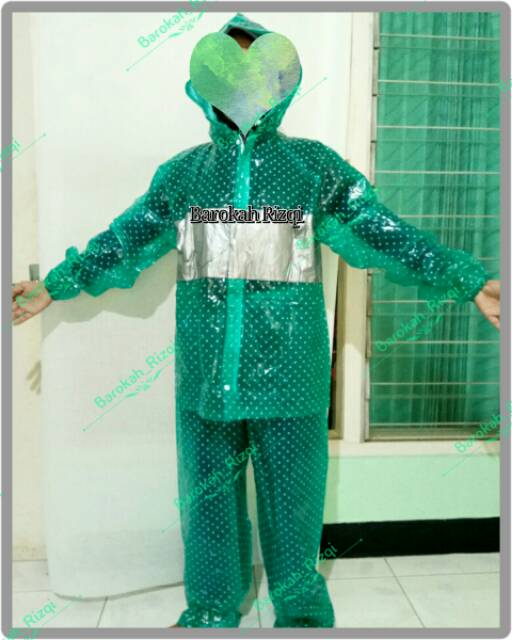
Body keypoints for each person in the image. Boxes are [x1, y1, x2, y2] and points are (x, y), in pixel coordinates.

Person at [12, 12, 500, 629]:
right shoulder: (185, 175)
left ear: (281, 83)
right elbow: (124, 239)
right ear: (205, 86)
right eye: (228, 73)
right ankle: (212, 606)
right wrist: (56, 285)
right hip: (206, 372)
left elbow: (383, 233)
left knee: (294, 500)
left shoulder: (313, 169)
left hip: (291, 372)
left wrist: (465, 278)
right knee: (208, 499)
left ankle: (300, 610)